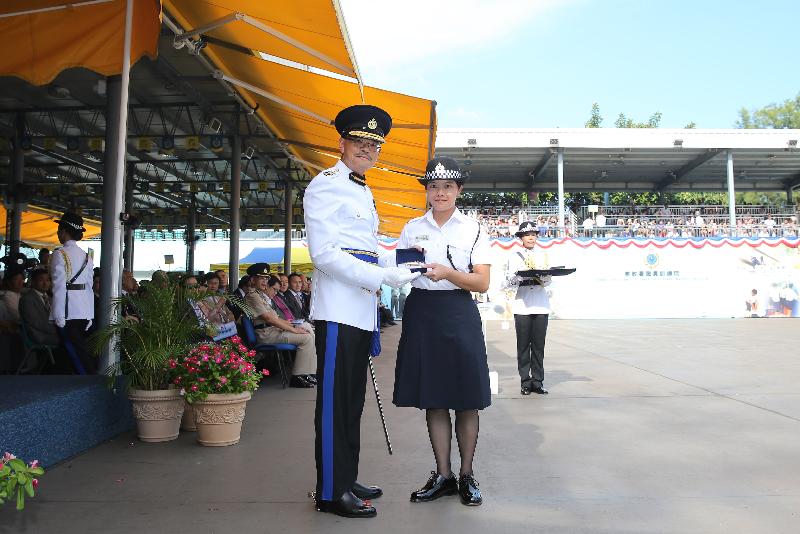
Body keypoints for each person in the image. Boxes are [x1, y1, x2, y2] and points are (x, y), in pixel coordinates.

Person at [303, 104, 419, 518]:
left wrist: (393, 268)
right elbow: (325, 255)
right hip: (337, 309)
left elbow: (365, 249)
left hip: (360, 309)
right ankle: (330, 493)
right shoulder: (325, 184)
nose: (367, 150)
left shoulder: (363, 189)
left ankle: (345, 475)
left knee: (352, 402)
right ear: (342, 143)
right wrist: (383, 277)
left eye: (374, 144)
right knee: (335, 404)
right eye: (359, 142)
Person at [391, 156, 492, 507]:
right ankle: (444, 475)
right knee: (433, 397)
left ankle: (467, 475)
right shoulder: (411, 227)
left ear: (459, 190)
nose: (440, 192)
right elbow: (400, 271)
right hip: (422, 311)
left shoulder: (474, 229)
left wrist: (447, 273)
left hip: (458, 311)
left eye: (447, 186)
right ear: (427, 191)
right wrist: (408, 267)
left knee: (467, 398)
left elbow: (481, 281)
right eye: (433, 186)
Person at [244, 265, 317, 388]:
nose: (265, 281)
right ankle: (298, 376)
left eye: (266, 279)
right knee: (306, 338)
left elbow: (276, 319)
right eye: (261, 278)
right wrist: (293, 329)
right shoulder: (252, 296)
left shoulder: (260, 295)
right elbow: (268, 318)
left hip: (273, 331)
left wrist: (294, 328)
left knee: (306, 331)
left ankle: (307, 373)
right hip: (266, 334)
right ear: (252, 280)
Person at [504, 221, 553, 395]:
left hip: (540, 305)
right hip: (522, 304)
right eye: (527, 234)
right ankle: (525, 381)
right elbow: (507, 282)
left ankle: (538, 381)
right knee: (523, 345)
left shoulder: (544, 255)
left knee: (539, 346)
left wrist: (545, 276)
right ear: (521, 238)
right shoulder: (514, 256)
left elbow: (548, 281)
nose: (531, 237)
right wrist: (518, 276)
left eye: (533, 234)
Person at [49, 211, 96, 374]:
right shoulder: (86, 256)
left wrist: (58, 314)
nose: (57, 233)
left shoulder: (59, 254)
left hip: (67, 312)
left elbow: (59, 286)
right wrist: (90, 314)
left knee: (75, 354)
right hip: (83, 311)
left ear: (64, 231)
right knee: (74, 351)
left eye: (59, 229)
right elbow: (89, 288)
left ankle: (88, 381)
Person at [19, 269, 60, 372]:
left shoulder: (50, 298)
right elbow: (36, 322)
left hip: (50, 332)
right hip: (37, 335)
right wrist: (58, 330)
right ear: (33, 282)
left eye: (47, 280)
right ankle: (56, 371)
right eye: (41, 280)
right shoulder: (27, 299)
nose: (45, 283)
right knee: (67, 341)